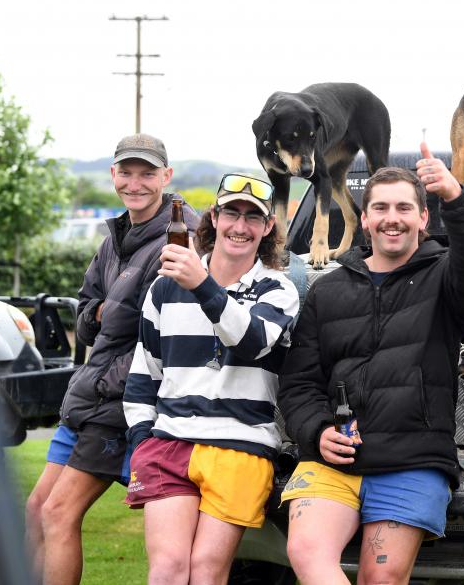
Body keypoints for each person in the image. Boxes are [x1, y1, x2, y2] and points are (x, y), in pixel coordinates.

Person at [276, 143, 464, 585]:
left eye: (404, 207)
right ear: (364, 219)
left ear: (423, 217)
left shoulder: (446, 279)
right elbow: (299, 383)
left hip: (412, 460)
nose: (391, 217)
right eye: (379, 208)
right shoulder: (328, 291)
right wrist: (317, 431)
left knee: (381, 578)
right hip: (332, 463)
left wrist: (457, 197)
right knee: (306, 553)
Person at [24, 134, 198, 584]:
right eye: (126, 171)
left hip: (120, 401)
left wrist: (105, 375)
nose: (135, 182)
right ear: (113, 175)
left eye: (146, 173)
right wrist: (100, 313)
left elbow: (160, 338)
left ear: (167, 176)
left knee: (59, 513)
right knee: (36, 510)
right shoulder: (115, 237)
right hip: (88, 395)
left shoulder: (178, 240)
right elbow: (85, 317)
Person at [122, 170, 299, 584]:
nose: (240, 226)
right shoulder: (165, 288)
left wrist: (202, 285)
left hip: (240, 444)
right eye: (231, 213)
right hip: (169, 443)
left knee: (206, 572)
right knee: (167, 570)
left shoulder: (278, 289)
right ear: (214, 218)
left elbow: (253, 341)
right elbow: (143, 373)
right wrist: (141, 441)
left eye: (253, 217)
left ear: (268, 226)